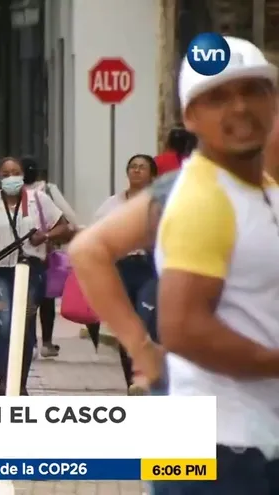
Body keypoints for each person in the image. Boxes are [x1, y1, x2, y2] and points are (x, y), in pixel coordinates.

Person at [74, 36, 279, 493]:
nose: (240, 108)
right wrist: (141, 348)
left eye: (254, 91)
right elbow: (183, 326)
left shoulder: (258, 191)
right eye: (220, 97)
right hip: (222, 453)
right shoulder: (198, 197)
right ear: (190, 117)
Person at [0, 157, 72, 396]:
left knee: (23, 327)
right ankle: (5, 382)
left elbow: (65, 227)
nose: (11, 177)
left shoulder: (38, 200)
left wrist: (44, 236)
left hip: (31, 271)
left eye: (16, 172)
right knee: (3, 326)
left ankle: (19, 383)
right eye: (6, 173)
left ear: (23, 175)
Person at [84, 154, 158, 395]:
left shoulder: (160, 202)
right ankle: (133, 383)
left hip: (150, 268)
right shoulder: (112, 204)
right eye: (133, 167)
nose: (136, 171)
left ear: (152, 175)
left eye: (142, 167)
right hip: (122, 269)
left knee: (147, 324)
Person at [21, 156, 79, 358]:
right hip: (45, 253)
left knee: (26, 300)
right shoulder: (48, 190)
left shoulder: (15, 192)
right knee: (45, 299)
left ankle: (31, 343)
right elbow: (71, 219)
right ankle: (46, 342)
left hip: (29, 253)